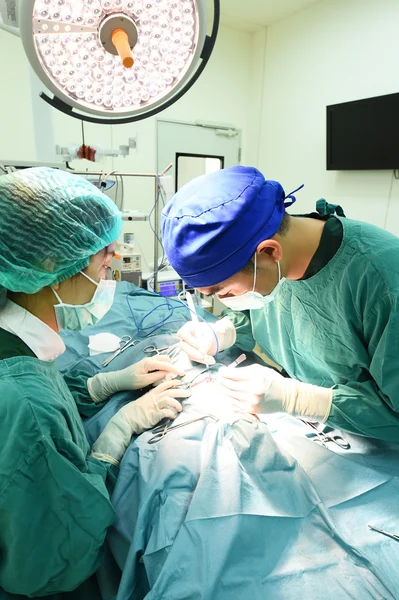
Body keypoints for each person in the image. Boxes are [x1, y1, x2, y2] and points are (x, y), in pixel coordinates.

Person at [0, 168, 189, 599]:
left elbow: (46, 391)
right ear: (50, 263)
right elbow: (51, 562)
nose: (112, 265)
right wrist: (114, 438)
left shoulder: (16, 337)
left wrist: (102, 384)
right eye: (102, 255)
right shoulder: (27, 405)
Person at [161, 165, 399, 442]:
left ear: (269, 252)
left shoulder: (383, 281)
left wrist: (299, 398)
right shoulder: (275, 263)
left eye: (221, 291)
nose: (220, 299)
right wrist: (225, 331)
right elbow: (262, 312)